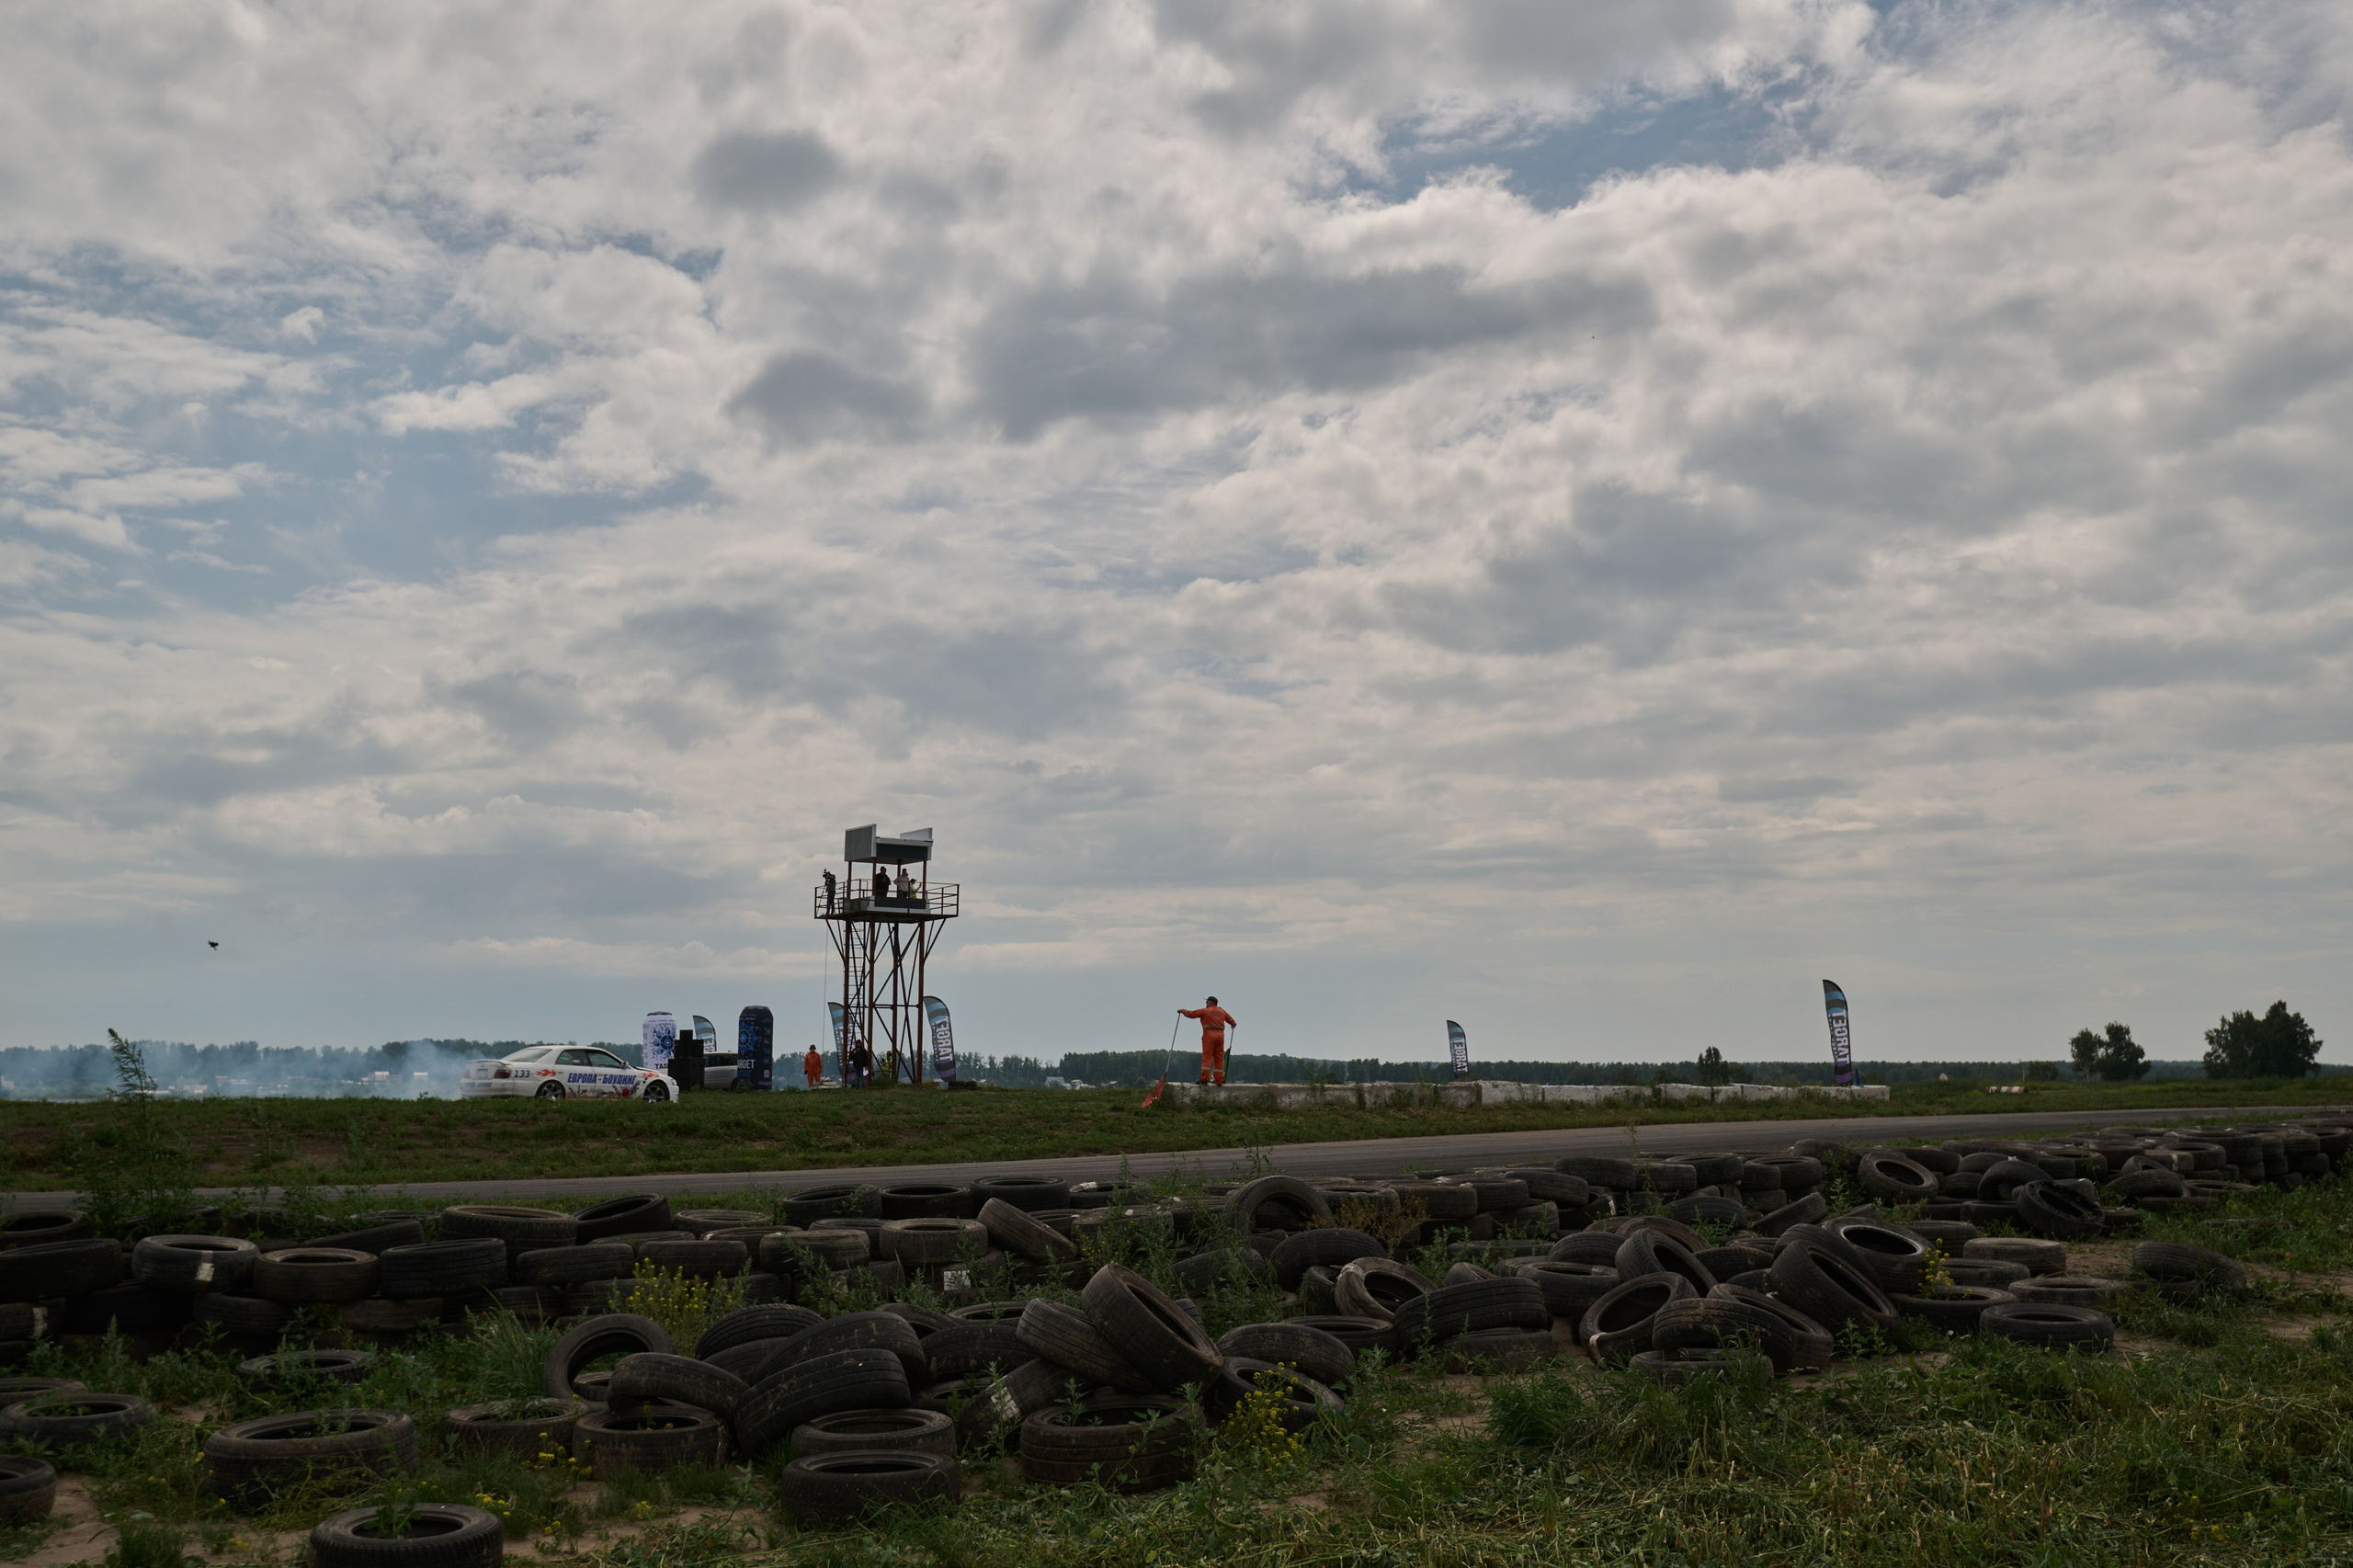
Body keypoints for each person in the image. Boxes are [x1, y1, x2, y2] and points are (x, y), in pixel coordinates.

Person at [1178, 996, 1237, 1086]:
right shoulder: (1222, 1012)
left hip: (1209, 1036)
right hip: (1220, 1037)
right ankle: (1219, 1080)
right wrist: (1233, 1024)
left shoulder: (1205, 1011)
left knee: (1207, 1057)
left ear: (1209, 1003)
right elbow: (1232, 1022)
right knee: (1219, 1058)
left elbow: (1191, 1014)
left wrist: (1182, 1011)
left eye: (1206, 1003)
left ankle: (1204, 1079)